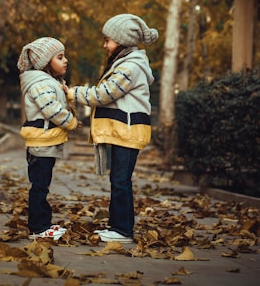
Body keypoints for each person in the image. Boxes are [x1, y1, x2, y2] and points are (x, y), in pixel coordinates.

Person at [66, 14, 158, 243]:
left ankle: (123, 230)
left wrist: (73, 93)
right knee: (119, 180)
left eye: (108, 40)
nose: (104, 45)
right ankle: (117, 226)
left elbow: (104, 94)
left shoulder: (130, 67)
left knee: (120, 181)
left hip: (128, 132)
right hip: (122, 131)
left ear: (122, 41)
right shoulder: (125, 64)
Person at [18, 37, 79, 241]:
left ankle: (41, 224)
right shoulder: (40, 84)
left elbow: (58, 105)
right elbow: (51, 110)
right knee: (40, 186)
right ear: (45, 62)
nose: (66, 60)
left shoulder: (50, 83)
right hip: (41, 142)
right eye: (60, 57)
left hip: (47, 141)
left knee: (42, 184)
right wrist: (70, 122)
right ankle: (39, 227)